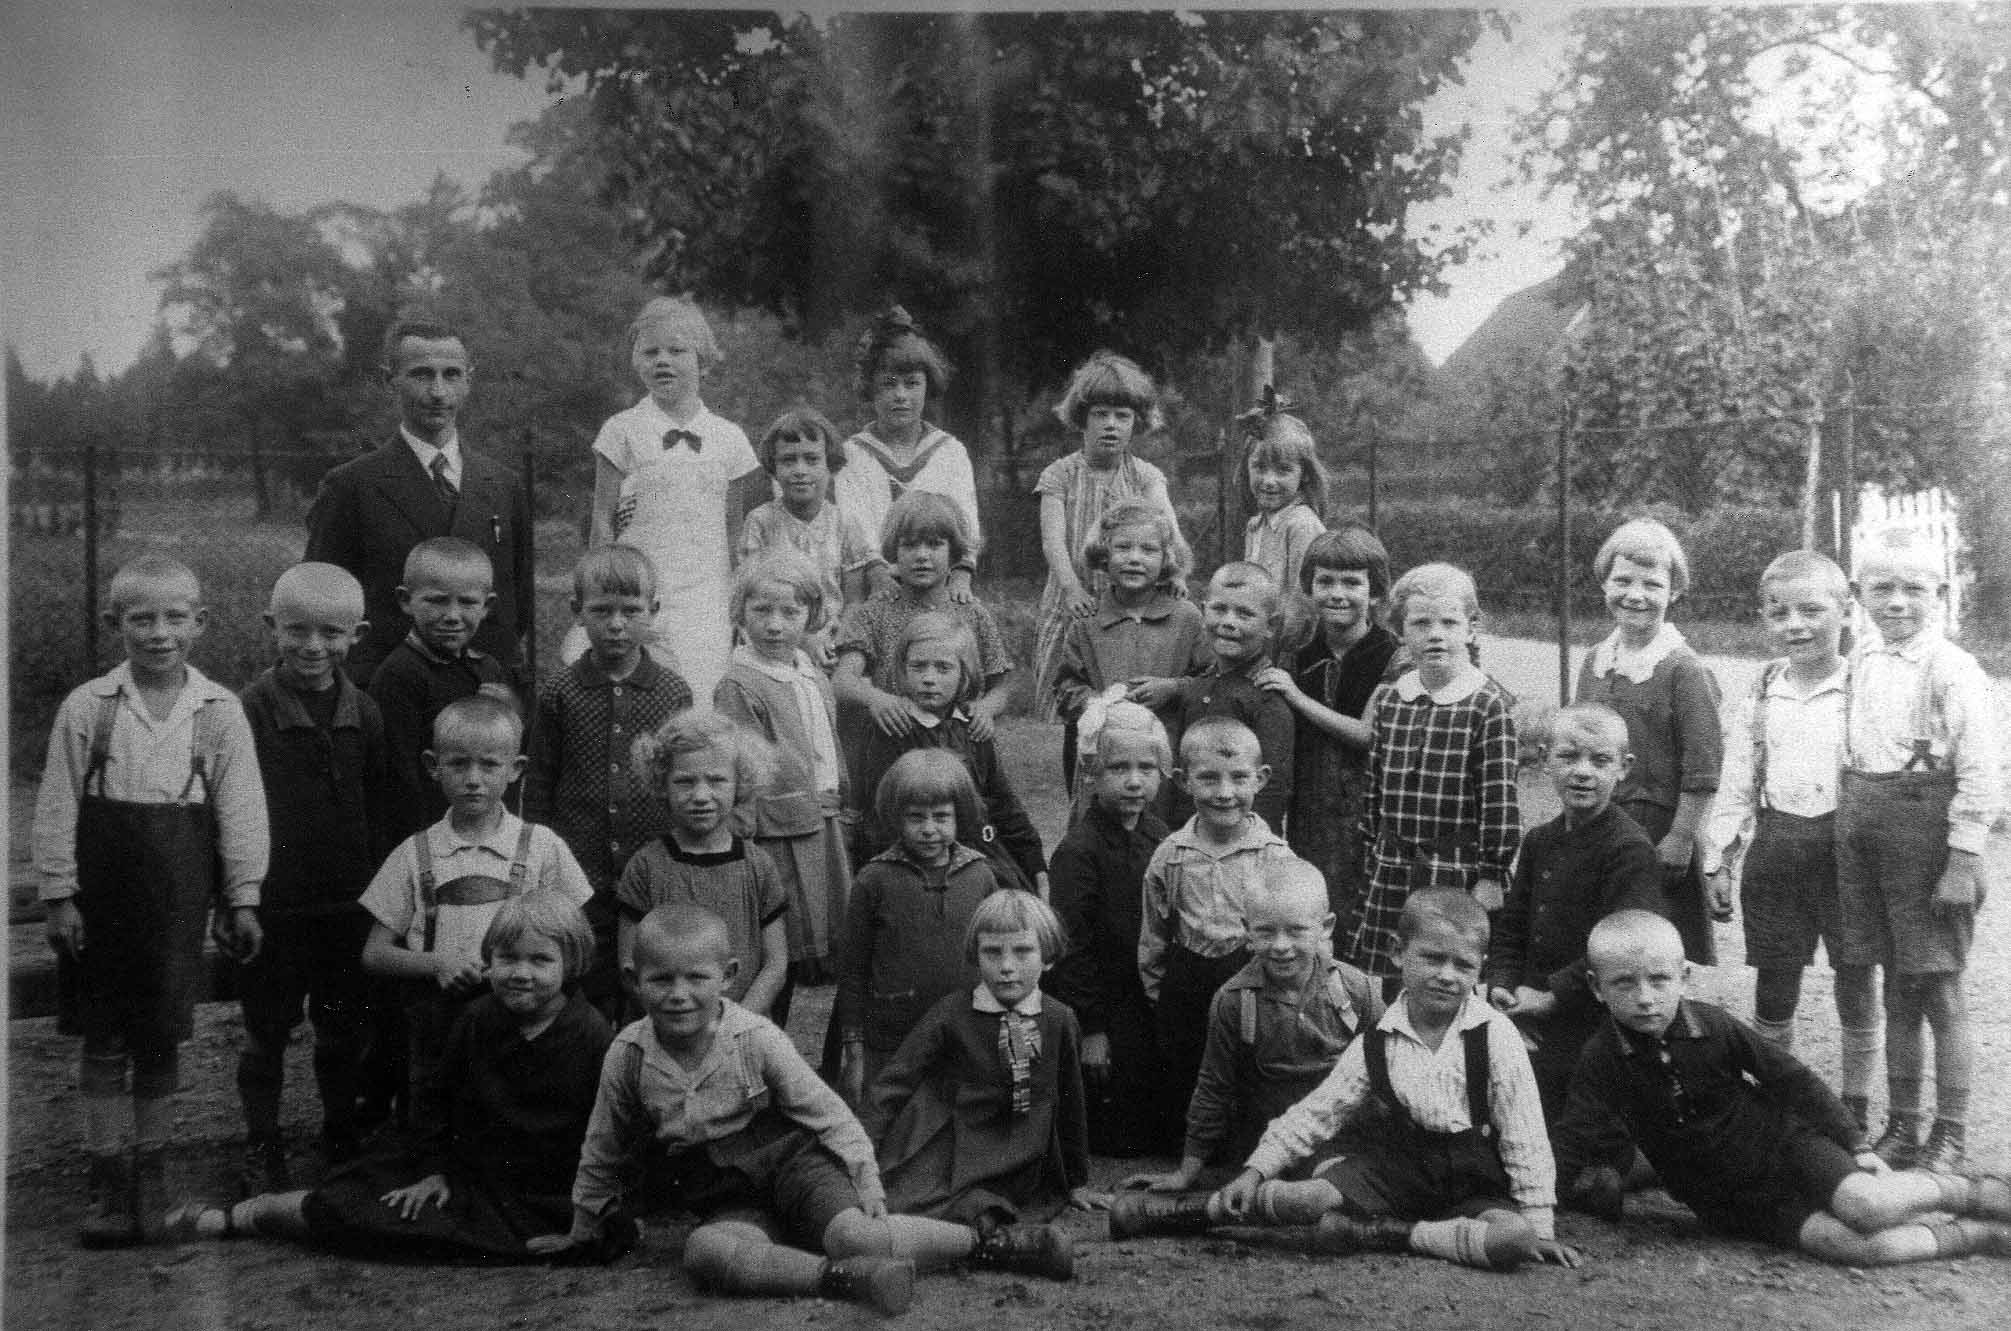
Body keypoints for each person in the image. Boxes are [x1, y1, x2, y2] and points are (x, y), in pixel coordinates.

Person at [533, 905, 1071, 1316]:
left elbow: (827, 1112)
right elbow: (601, 1144)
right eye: (661, 980)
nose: (679, 995)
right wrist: (585, 1222)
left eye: (696, 978)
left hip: (794, 1165)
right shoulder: (629, 1054)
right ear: (633, 979)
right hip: (721, 1191)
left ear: (728, 975)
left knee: (856, 1234)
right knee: (707, 1252)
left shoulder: (754, 1037)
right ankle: (841, 1280)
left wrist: (866, 1181)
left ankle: (995, 1244)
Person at [1111, 890, 1573, 1273]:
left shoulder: (1494, 1034)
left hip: (1473, 1177)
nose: (1447, 976)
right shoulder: (1378, 1040)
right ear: (1398, 954)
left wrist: (1542, 1225)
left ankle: (1391, 1236)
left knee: (1514, 1240)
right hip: (1399, 1169)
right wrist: (1255, 1170)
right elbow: (1316, 1114)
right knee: (1303, 1200)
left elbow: (1524, 1132)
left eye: (1463, 965)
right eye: (1432, 958)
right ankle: (1193, 1215)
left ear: (1480, 968)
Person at [164, 894, 632, 1264]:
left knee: (590, 1239)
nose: (521, 974)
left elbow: (610, 1133)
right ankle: (243, 1217)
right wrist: (434, 1170)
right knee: (358, 1207)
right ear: (489, 959)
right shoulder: (476, 1019)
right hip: (464, 1175)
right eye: (508, 958)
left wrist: (592, 1207)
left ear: (572, 965)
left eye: (540, 961)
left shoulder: (592, 1035)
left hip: (545, 1194)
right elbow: (435, 1100)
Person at [34, 555, 269, 1246]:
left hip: (174, 902)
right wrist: (57, 895)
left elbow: (242, 809)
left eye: (174, 617)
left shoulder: (219, 710)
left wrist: (243, 896)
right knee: (104, 1040)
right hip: (100, 904)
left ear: (201, 621)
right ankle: (106, 1186)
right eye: (141, 618)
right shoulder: (89, 707)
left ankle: (152, 1180)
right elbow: (55, 803)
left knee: (161, 1039)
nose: (159, 632)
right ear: (116, 624)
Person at [1554, 911, 2011, 1263]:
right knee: (1860, 1248)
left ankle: (1979, 1194)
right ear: (1596, 987)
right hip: (1727, 1198)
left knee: (1868, 1205)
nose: (1646, 997)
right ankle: (1983, 1236)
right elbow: (1578, 1135)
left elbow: (1792, 1079)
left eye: (1659, 980)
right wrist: (1548, 1192)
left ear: (1684, 978)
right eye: (1624, 983)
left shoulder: (1712, 1026)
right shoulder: (1601, 1059)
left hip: (1784, 1146)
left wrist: (1854, 1141)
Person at [1839, 533, 2004, 1172]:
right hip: (1869, 841)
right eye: (1883, 588)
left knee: (1940, 990)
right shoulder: (1861, 659)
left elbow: (1983, 772)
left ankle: (1951, 1130)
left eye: (1915, 589)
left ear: (1940, 595)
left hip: (1930, 849)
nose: (1898, 601)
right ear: (1859, 596)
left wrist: (1963, 858)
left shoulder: (1953, 668)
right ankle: (1903, 1125)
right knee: (1896, 991)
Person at [234, 563, 390, 1192]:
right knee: (266, 1030)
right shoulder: (246, 710)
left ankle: (340, 1134)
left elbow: (378, 808)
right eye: (297, 630)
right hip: (275, 906)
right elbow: (230, 808)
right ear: (272, 626)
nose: (313, 646)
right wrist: (237, 896)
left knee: (342, 1028)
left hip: (347, 906)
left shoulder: (366, 712)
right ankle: (260, 1143)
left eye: (332, 633)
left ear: (357, 634)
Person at [360, 695, 593, 1113]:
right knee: (443, 1116)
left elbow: (578, 938)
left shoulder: (541, 847)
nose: (473, 779)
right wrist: (438, 962)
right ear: (433, 766)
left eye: (488, 765)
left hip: (527, 1019)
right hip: (441, 1025)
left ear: (516, 770)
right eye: (458, 764)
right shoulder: (415, 854)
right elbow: (374, 954)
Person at [1699, 552, 1867, 1108]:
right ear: (1765, 618)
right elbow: (1738, 779)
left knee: (1855, 973)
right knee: (1775, 974)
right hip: (1778, 845)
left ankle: (1858, 1102)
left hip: (1847, 850)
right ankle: (1778, 1096)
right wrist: (1719, 858)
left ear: (1845, 612)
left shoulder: (1864, 684)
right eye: (1780, 612)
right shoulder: (1764, 686)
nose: (1795, 624)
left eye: (1812, 610)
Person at [1124, 858, 1383, 1193]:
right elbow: (1213, 1088)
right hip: (1265, 1146)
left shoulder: (1353, 989)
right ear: (1247, 929)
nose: (1280, 946)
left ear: (1326, 926)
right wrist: (1187, 1172)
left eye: (1296, 930)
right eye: (1265, 931)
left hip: (1343, 1136)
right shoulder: (1234, 1001)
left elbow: (1392, 1065)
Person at [305, 313, 531, 687]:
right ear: (389, 380)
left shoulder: (504, 485)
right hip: (387, 694)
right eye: (422, 374)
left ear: (469, 381)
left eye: (452, 374)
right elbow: (323, 603)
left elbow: (517, 607)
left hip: (485, 701)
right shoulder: (352, 486)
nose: (439, 392)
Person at [524, 544, 692, 1020]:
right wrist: (538, 856)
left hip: (650, 862)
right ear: (577, 612)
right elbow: (539, 781)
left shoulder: (673, 691)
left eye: (631, 611)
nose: (616, 624)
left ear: (652, 611)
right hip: (580, 867)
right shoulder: (560, 691)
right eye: (601, 611)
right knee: (587, 984)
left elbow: (679, 778)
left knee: (650, 980)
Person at [861, 889, 1094, 1228]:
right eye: (992, 952)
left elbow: (1072, 1100)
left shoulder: (1059, 1019)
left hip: (1024, 1151)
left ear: (1048, 957)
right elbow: (893, 1084)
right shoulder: (952, 1012)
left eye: (1023, 951)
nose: (1007, 967)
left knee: (999, 1208)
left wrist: (1077, 1181)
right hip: (956, 1146)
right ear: (976, 955)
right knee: (913, 1205)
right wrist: (862, 1157)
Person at [1484, 703, 1662, 1123]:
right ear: (1546, 759)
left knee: (1569, 1132)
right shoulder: (1539, 841)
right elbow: (1511, 927)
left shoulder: (1629, 849)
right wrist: (1502, 985)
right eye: (1568, 757)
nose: (1583, 772)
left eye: (1600, 761)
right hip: (1526, 1002)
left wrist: (1551, 998)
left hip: (1596, 1014)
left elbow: (1627, 952)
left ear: (1624, 768)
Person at [583, 295, 765, 702]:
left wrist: (739, 599)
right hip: (640, 591)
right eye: (651, 352)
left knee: (702, 695)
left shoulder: (728, 437)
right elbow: (601, 517)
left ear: (702, 359)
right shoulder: (622, 430)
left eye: (676, 350)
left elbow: (734, 527)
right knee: (635, 693)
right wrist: (602, 588)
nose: (662, 360)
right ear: (637, 361)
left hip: (707, 595)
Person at [1353, 562, 1520, 979]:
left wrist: (1492, 874)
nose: (1435, 634)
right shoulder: (1393, 701)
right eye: (1421, 623)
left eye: (1449, 622)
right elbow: (1375, 785)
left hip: (1454, 868)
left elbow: (1499, 800)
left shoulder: (1486, 705)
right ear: (1401, 632)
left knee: (1447, 972)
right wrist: (1373, 847)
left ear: (1472, 628)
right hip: (1393, 863)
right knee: (1388, 973)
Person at [1032, 352, 1191, 778]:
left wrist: (1174, 574)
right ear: (1081, 418)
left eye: (1122, 415)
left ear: (1137, 421)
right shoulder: (1060, 475)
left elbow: (1167, 530)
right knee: (1082, 707)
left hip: (1134, 605)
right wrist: (1072, 589)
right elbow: (1054, 542)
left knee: (1132, 704)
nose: (1111, 425)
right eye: (1100, 414)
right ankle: (1078, 794)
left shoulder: (1145, 476)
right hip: (1080, 602)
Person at [1573, 518, 1723, 965]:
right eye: (1622, 581)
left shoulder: (1684, 670)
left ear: (1674, 592)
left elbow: (1703, 767)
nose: (1635, 595)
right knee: (1596, 934)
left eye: (1652, 584)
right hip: (1596, 819)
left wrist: (1682, 837)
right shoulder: (1595, 661)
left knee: (1648, 941)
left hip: (1655, 828)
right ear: (1604, 583)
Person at [1139, 717, 1296, 1119]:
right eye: (1208, 779)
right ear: (1182, 780)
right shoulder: (1171, 854)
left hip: (1251, 976)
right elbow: (1154, 934)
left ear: (1260, 779)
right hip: (1188, 978)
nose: (1225, 793)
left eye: (1239, 778)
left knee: (1251, 1071)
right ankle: (1190, 1144)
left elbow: (1294, 930)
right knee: (1187, 1068)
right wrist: (1160, 994)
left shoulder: (1275, 856)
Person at [714, 549, 854, 999]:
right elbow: (745, 769)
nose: (775, 625)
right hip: (776, 834)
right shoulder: (740, 683)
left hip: (821, 820)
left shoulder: (807, 670)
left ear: (810, 615)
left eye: (790, 612)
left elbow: (825, 743)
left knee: (823, 941)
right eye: (761, 611)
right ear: (740, 613)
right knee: (777, 947)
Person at [838, 750, 1011, 1104]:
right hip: (892, 1036)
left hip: (966, 1031)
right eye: (916, 817)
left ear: (959, 816)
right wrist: (854, 1046)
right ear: (895, 818)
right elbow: (853, 969)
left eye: (941, 816)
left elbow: (999, 952)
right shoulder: (874, 879)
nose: (929, 829)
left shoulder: (980, 876)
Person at [1048, 700, 1180, 1156]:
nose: (1133, 780)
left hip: (1150, 994)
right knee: (1120, 1137)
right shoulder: (1078, 852)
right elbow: (1072, 947)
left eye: (1147, 768)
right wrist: (1092, 1028)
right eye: (1118, 767)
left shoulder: (1160, 835)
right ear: (1090, 774)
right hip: (1105, 1001)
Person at [1258, 522, 1403, 934]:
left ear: (1374, 592)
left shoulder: (1392, 654)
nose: (1337, 593)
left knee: (1364, 912)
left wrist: (1296, 695)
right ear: (1310, 587)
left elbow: (1366, 734)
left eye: (1351, 583)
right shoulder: (1297, 649)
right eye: (1325, 581)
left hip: (1366, 804)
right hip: (1307, 800)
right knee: (1311, 907)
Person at [849, 612, 1047, 895]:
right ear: (903, 671)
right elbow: (882, 814)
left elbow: (1003, 802)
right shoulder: (893, 728)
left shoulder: (972, 725)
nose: (929, 678)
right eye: (918, 667)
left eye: (943, 668)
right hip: (921, 860)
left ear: (964, 674)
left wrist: (1036, 864)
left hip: (983, 853)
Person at [614, 709, 790, 1020]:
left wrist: (733, 1025)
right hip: (665, 1028)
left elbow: (775, 963)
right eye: (685, 781)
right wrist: (681, 1022)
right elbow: (629, 962)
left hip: (741, 1031)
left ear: (740, 783)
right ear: (662, 784)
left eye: (717, 780)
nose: (701, 795)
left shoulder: (758, 866)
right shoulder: (645, 867)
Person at [1051, 498, 1208, 805]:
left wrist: (1174, 688)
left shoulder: (1187, 618)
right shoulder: (1086, 624)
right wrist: (1099, 703)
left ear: (1166, 559)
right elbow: (1065, 688)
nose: (1135, 559)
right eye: (1123, 548)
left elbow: (1211, 681)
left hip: (1169, 760)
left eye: (1148, 550)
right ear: (1104, 555)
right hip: (1105, 756)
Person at [833, 489, 1014, 751]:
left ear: (953, 552)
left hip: (960, 743)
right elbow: (842, 680)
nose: (922, 555)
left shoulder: (971, 613)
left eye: (934, 544)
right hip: (895, 742)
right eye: (910, 545)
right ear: (894, 551)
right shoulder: (876, 612)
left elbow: (1003, 685)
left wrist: (986, 708)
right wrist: (876, 699)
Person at [366, 536, 514, 841]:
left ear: (487, 606)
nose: (452, 615)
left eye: (468, 602)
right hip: (428, 834)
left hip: (482, 824)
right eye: (437, 600)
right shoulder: (400, 675)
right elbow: (399, 777)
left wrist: (511, 713)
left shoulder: (487, 668)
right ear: (406, 600)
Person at [832, 305, 982, 601]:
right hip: (874, 586)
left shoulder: (950, 452)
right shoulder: (852, 454)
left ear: (928, 386)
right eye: (889, 384)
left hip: (939, 586)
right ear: (871, 388)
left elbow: (966, 519)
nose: (901, 395)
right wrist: (876, 573)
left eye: (912, 384)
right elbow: (854, 524)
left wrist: (963, 574)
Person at [1166, 561, 1298, 831]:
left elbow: (1271, 789)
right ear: (1203, 612)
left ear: (1270, 625)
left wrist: (1252, 846)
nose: (1228, 622)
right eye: (1219, 609)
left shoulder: (1266, 697)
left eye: (1244, 614)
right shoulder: (1198, 687)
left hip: (1240, 841)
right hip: (1189, 837)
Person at [739, 404, 884, 642]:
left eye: (812, 460)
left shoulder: (845, 523)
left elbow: (854, 600)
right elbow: (753, 595)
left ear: (831, 466)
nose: (800, 470)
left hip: (834, 638)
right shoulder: (761, 521)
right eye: (788, 461)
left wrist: (838, 639)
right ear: (774, 469)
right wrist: (804, 641)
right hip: (775, 636)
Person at [1240, 406, 1330, 594]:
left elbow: (1302, 600)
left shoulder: (1301, 525)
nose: (1269, 481)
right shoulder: (1255, 525)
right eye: (1259, 467)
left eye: (1283, 470)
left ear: (1304, 474)